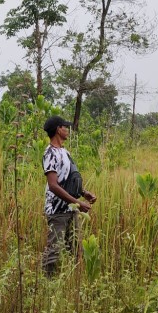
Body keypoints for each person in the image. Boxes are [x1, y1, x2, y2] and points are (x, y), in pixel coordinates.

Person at [41, 115, 97, 277]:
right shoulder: (50, 153)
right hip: (57, 211)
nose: (67, 130)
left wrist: (84, 193)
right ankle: (47, 285)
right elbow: (53, 185)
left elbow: (69, 178)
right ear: (58, 129)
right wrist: (78, 203)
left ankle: (74, 282)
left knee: (75, 249)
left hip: (71, 208)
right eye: (65, 126)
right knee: (54, 252)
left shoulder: (65, 152)